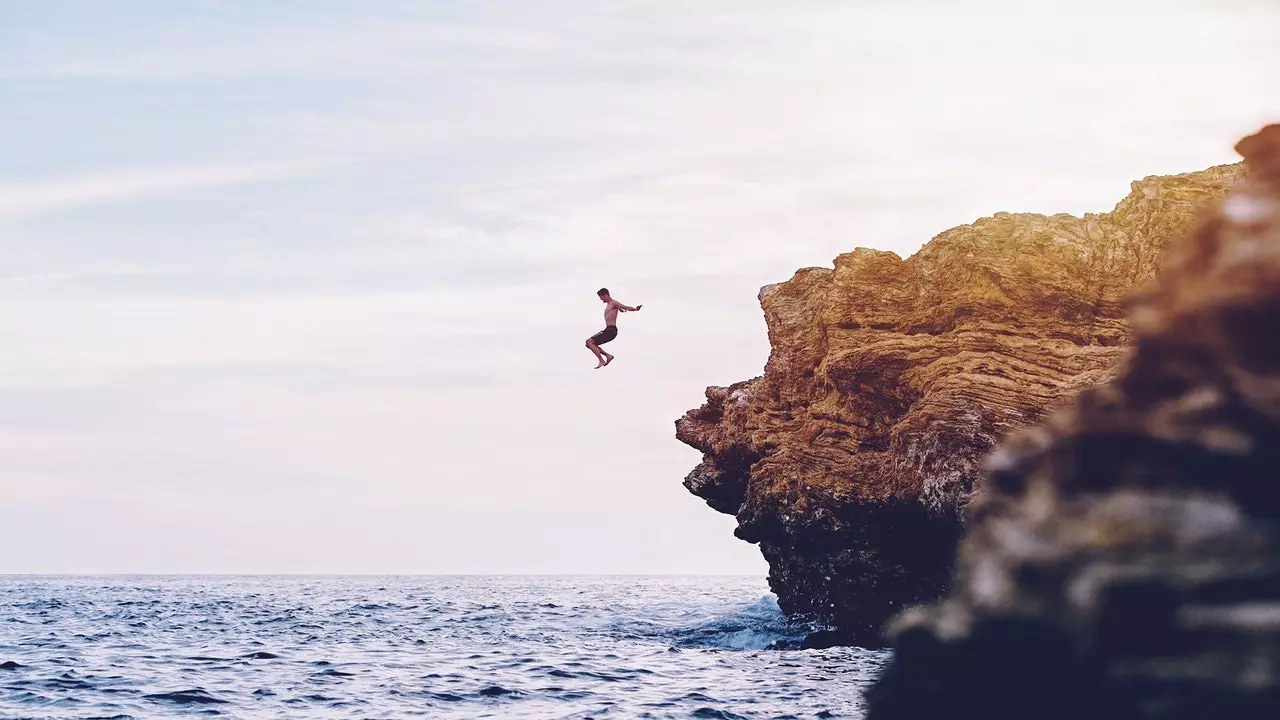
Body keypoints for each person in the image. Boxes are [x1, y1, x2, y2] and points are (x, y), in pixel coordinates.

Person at [585, 287, 641, 369]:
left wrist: (635, 309)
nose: (601, 300)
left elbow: (626, 307)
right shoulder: (610, 305)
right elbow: (621, 309)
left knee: (589, 342)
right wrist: (620, 309)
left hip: (611, 331)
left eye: (601, 297)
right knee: (589, 344)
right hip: (608, 330)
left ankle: (602, 360)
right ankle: (608, 356)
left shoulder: (613, 303)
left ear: (605, 295)